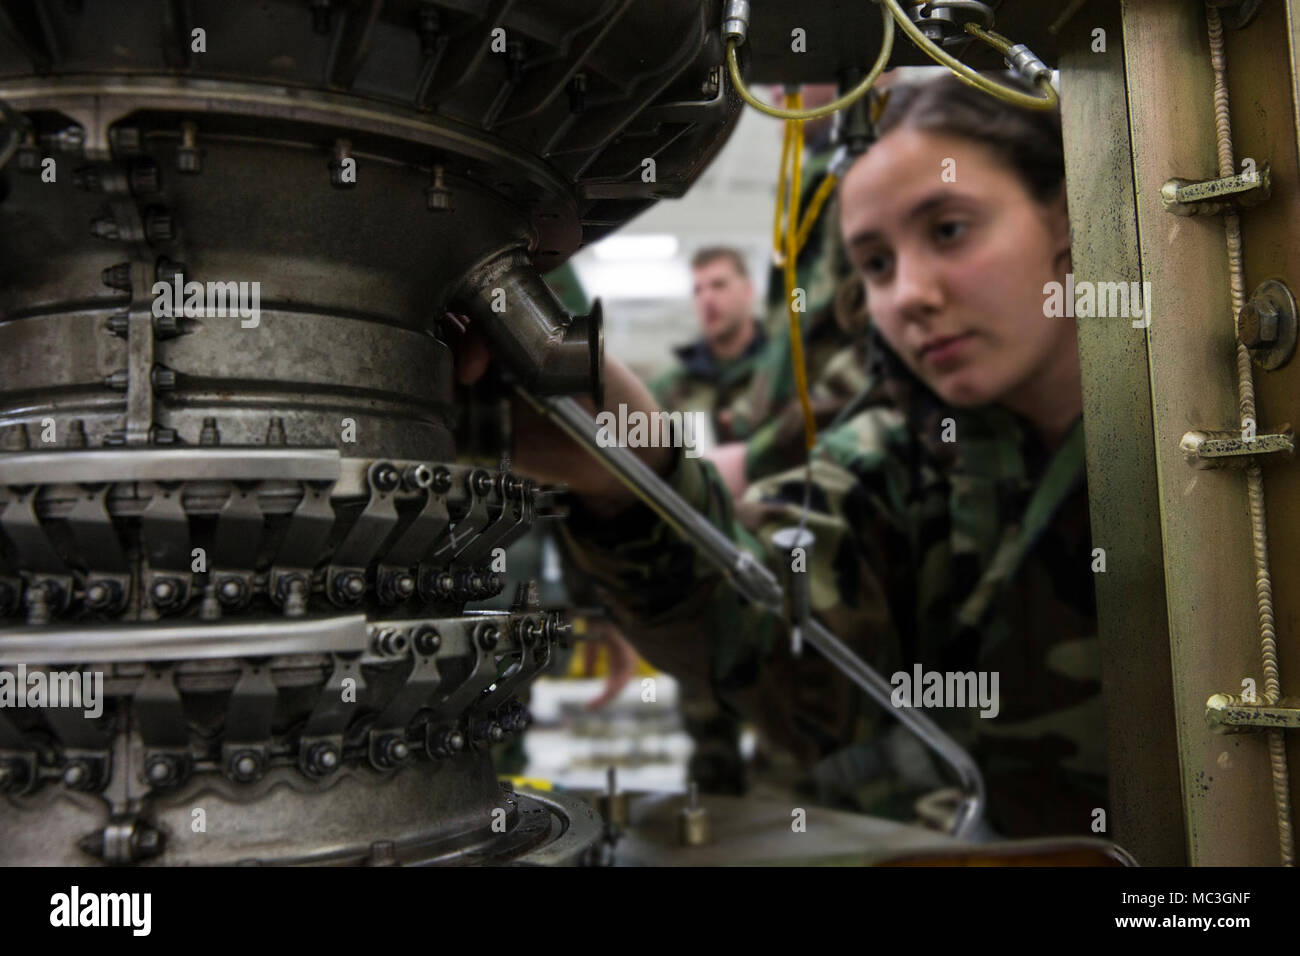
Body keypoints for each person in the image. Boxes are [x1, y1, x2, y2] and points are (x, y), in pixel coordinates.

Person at [458, 72, 1102, 838]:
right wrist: (634, 472)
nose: (909, 296)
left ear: (1065, 213)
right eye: (875, 264)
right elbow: (771, 656)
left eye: (950, 230)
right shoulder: (903, 454)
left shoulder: (1209, 425)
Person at [646, 247, 768, 447]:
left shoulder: (784, 372)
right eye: (698, 290)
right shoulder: (668, 388)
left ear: (748, 290)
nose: (707, 299)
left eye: (719, 285)